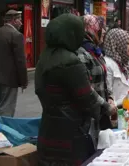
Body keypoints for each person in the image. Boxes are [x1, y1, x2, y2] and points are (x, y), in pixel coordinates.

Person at [35, 14, 108, 166]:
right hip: (70, 134)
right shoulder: (70, 61)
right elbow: (86, 97)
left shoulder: (45, 56)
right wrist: (107, 109)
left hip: (49, 129)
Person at [77, 15, 116, 131]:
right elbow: (87, 87)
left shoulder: (96, 51)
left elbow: (103, 80)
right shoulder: (81, 53)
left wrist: (109, 97)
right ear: (90, 29)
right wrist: (105, 105)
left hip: (102, 113)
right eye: (100, 27)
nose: (103, 31)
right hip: (91, 115)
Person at [0, 10, 27, 117]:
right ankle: (4, 131)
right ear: (13, 20)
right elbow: (20, 60)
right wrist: (23, 81)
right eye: (19, 19)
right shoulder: (16, 35)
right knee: (7, 108)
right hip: (10, 79)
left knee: (4, 104)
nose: (21, 22)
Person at [104, 28, 129, 107]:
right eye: (128, 43)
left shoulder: (124, 63)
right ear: (117, 45)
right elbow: (108, 96)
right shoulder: (107, 64)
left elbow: (128, 89)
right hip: (114, 113)